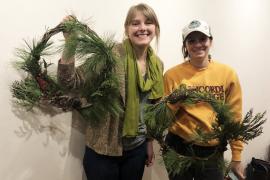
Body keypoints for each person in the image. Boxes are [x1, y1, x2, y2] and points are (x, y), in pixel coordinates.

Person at [57, 3, 164, 180]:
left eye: (148, 22)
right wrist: (70, 43)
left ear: (156, 28)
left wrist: (149, 142)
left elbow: (152, 109)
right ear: (127, 28)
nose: (142, 28)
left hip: (137, 150)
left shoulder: (157, 64)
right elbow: (70, 82)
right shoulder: (111, 55)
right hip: (103, 151)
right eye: (135, 23)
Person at [163, 19, 245, 180]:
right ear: (185, 45)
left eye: (202, 39)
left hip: (212, 152)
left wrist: (237, 155)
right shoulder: (172, 75)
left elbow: (234, 117)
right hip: (178, 147)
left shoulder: (227, 74)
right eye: (191, 40)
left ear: (211, 41)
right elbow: (163, 117)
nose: (197, 44)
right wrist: (175, 102)